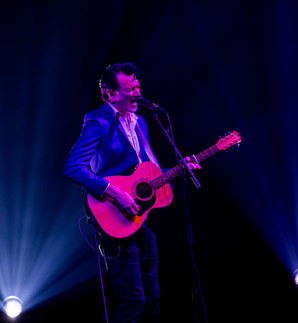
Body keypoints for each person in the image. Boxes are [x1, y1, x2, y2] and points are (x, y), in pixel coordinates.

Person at [63, 62, 200, 322]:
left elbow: (146, 175)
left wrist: (178, 169)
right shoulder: (98, 121)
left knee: (154, 299)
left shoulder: (141, 123)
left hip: (141, 219)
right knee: (133, 300)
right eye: (129, 89)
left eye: (137, 86)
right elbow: (73, 168)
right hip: (114, 219)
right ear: (110, 94)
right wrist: (115, 193)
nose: (137, 92)